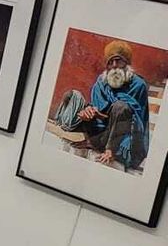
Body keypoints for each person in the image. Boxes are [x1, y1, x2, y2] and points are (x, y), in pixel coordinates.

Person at [52, 40, 152, 169]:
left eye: (119, 60)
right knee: (72, 96)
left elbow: (133, 120)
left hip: (124, 138)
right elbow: (97, 109)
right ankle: (82, 136)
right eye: (110, 62)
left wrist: (100, 116)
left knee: (121, 106)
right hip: (101, 131)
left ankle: (109, 150)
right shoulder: (101, 81)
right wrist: (88, 112)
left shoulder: (138, 85)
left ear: (127, 63)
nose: (114, 66)